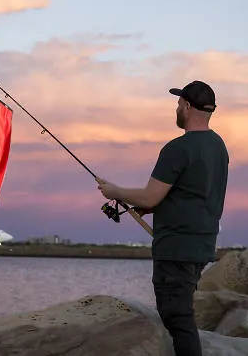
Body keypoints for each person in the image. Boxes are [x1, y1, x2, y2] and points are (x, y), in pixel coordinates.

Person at [96, 80, 229, 356]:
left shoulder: (177, 149)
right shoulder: (219, 147)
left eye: (179, 103)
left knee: (177, 317)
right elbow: (192, 194)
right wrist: (154, 208)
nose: (177, 108)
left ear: (188, 107)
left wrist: (114, 190)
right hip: (201, 246)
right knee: (179, 312)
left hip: (176, 249)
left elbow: (150, 196)